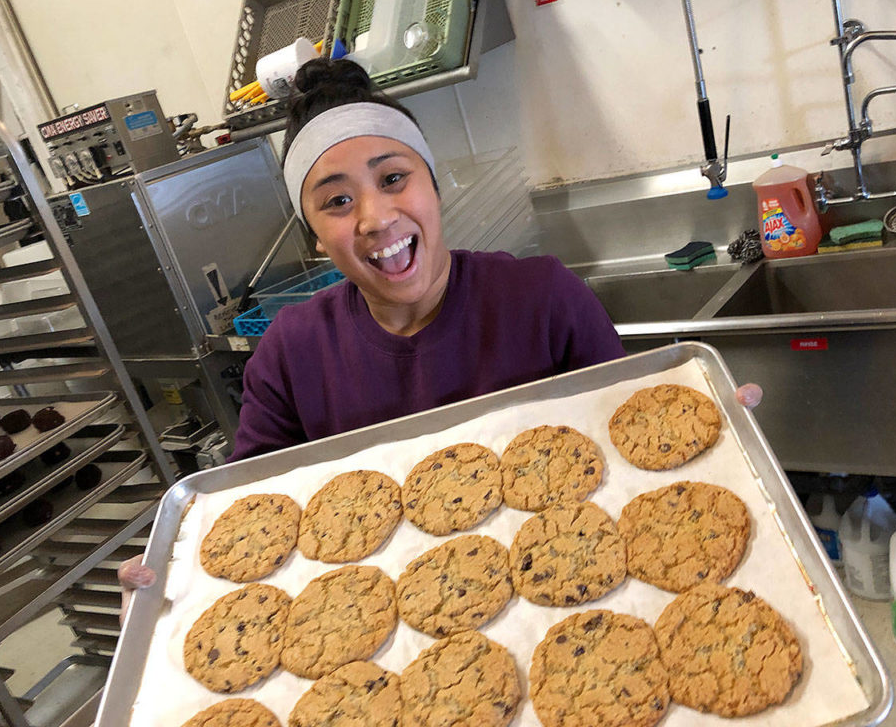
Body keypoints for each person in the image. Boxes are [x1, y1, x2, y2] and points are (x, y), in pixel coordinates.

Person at [118, 58, 762, 610]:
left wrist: (707, 437)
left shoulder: (540, 298)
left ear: (434, 183)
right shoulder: (292, 351)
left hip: (579, 586)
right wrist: (173, 582)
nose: (374, 217)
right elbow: (250, 514)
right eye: (336, 202)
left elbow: (631, 437)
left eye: (393, 178)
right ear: (313, 232)